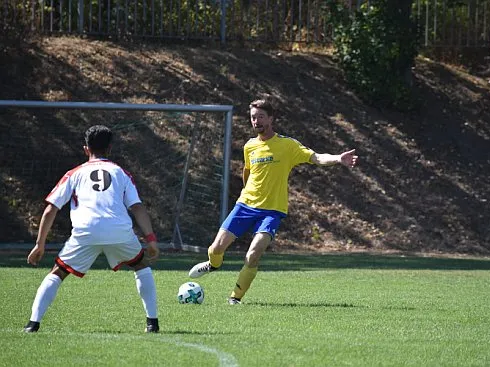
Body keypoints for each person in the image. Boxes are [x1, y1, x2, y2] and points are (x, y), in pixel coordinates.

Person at [189, 99, 358, 304]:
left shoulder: (287, 145)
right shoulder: (250, 146)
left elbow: (316, 158)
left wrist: (338, 158)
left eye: (261, 116)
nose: (256, 121)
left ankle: (235, 298)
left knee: (253, 255)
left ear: (271, 118)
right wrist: (246, 192)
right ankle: (213, 265)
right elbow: (248, 172)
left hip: (272, 211)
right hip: (245, 206)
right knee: (215, 249)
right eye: (253, 117)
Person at [23, 125, 160, 333]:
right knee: (141, 265)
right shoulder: (121, 173)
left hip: (85, 230)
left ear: (86, 149)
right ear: (110, 149)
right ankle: (153, 322)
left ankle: (33, 324)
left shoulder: (74, 173)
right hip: (118, 230)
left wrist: (39, 244)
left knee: (58, 272)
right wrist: (150, 239)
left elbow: (51, 209)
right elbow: (137, 207)